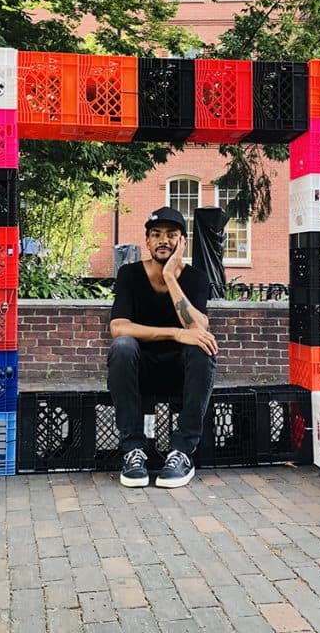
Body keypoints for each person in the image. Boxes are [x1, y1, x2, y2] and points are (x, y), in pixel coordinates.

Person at [107, 207, 218, 488]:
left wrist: (170, 277)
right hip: (139, 371)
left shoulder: (196, 278)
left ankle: (182, 453)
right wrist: (176, 333)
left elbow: (200, 328)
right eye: (156, 234)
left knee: (202, 347)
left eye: (171, 234)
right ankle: (133, 450)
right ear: (147, 241)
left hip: (182, 374)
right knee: (122, 346)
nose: (163, 240)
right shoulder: (130, 274)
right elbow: (118, 327)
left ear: (182, 242)